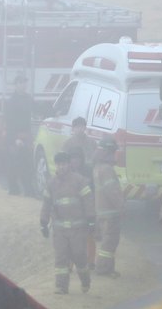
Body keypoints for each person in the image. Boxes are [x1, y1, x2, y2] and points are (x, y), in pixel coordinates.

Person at [40, 151, 95, 294]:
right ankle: (61, 287)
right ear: (56, 166)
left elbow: (88, 200)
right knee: (61, 258)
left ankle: (85, 280)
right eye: (59, 164)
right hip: (59, 230)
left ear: (68, 165)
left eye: (64, 164)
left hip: (77, 229)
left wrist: (91, 219)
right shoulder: (51, 184)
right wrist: (43, 222)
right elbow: (46, 204)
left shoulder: (79, 180)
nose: (61, 167)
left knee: (79, 256)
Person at [62, 117, 97, 266]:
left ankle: (90, 262)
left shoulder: (91, 143)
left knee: (89, 233)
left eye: (82, 126)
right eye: (77, 126)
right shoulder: (68, 143)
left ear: (85, 127)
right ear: (73, 128)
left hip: (86, 202)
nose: (79, 129)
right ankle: (70, 263)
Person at [93, 136, 126, 278]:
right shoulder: (106, 170)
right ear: (108, 152)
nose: (114, 155)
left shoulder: (98, 167)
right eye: (112, 152)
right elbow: (112, 191)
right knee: (109, 242)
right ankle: (103, 269)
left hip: (102, 212)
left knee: (109, 241)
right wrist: (122, 206)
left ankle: (109, 269)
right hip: (110, 213)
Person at [3, 73, 36, 196]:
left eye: (25, 83)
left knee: (27, 165)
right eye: (21, 83)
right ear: (16, 85)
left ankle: (29, 190)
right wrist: (14, 139)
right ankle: (13, 189)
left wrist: (53, 111)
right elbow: (9, 122)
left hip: (26, 136)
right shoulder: (11, 102)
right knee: (13, 166)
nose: (24, 85)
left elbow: (37, 109)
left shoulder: (28, 99)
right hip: (14, 137)